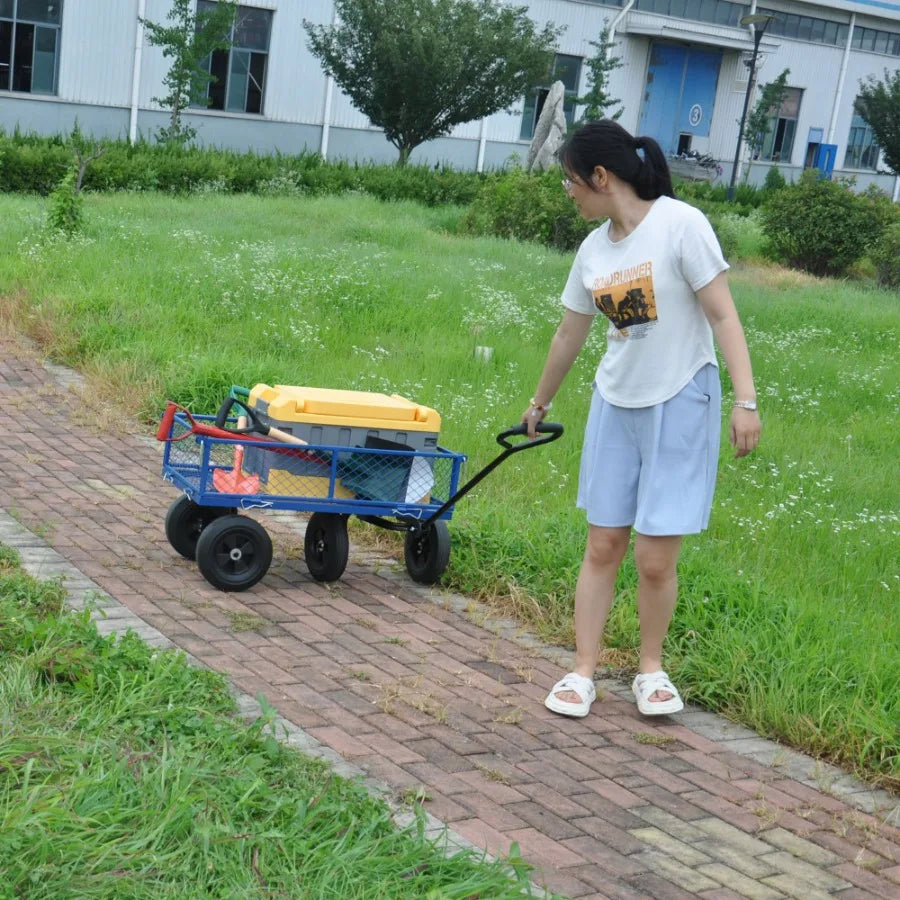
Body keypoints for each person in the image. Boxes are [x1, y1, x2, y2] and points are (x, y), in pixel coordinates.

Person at [525, 120, 761, 718]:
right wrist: (539, 401)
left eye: (570, 181)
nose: (568, 192)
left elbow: (724, 318)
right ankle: (582, 672)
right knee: (603, 543)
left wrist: (746, 400)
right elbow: (569, 333)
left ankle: (650, 670)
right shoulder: (592, 249)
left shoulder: (681, 225)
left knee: (655, 557)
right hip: (616, 404)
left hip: (681, 401)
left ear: (601, 177)